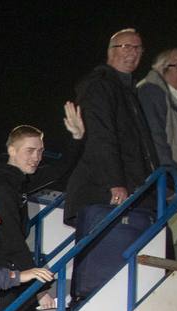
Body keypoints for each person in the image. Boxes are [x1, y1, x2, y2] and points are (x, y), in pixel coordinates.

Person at [0, 106, 85, 311]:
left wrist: (77, 138)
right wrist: (39, 289)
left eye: (40, 151)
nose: (36, 157)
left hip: (5, 271)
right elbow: (13, 241)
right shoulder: (1, 185)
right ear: (12, 150)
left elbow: (58, 170)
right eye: (30, 151)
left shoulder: (15, 180)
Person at [64, 29, 159, 226]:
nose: (132, 52)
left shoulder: (128, 91)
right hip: (107, 191)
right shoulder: (99, 85)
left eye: (138, 48)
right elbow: (100, 135)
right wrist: (114, 183)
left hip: (134, 188)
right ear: (110, 51)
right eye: (126, 46)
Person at [138, 48, 177, 183]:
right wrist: (170, 177)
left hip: (173, 183)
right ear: (162, 68)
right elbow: (155, 138)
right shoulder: (150, 93)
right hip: (159, 182)